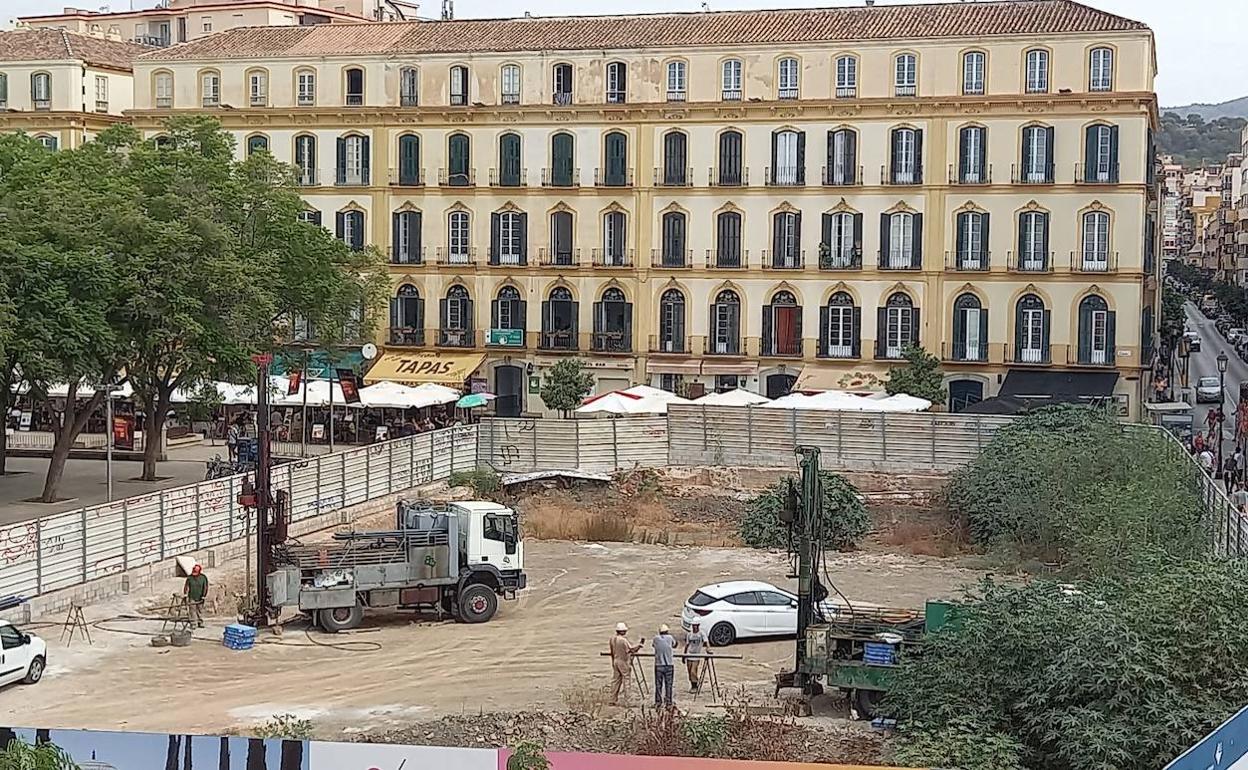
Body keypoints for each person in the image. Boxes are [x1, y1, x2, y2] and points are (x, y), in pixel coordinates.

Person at [609, 622, 642, 706]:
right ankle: (628, 701)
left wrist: (613, 662)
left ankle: (612, 699)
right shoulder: (623, 640)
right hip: (623, 661)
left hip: (615, 660)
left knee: (615, 680)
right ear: (623, 631)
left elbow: (612, 652)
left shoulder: (612, 639)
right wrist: (639, 646)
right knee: (626, 680)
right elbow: (631, 650)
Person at [652, 623, 677, 708]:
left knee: (658, 685)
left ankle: (658, 702)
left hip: (659, 665)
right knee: (668, 684)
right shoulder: (670, 638)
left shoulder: (656, 638)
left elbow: (653, 645)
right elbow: (675, 645)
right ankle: (668, 702)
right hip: (669, 664)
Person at [684, 621, 707, 692]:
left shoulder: (701, 634)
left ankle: (695, 685)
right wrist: (684, 655)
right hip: (689, 654)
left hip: (696, 655)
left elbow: (706, 641)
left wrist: (708, 648)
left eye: (696, 625)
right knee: (689, 671)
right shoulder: (689, 634)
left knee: (693, 671)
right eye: (693, 625)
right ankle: (692, 685)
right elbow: (687, 645)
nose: (694, 627)